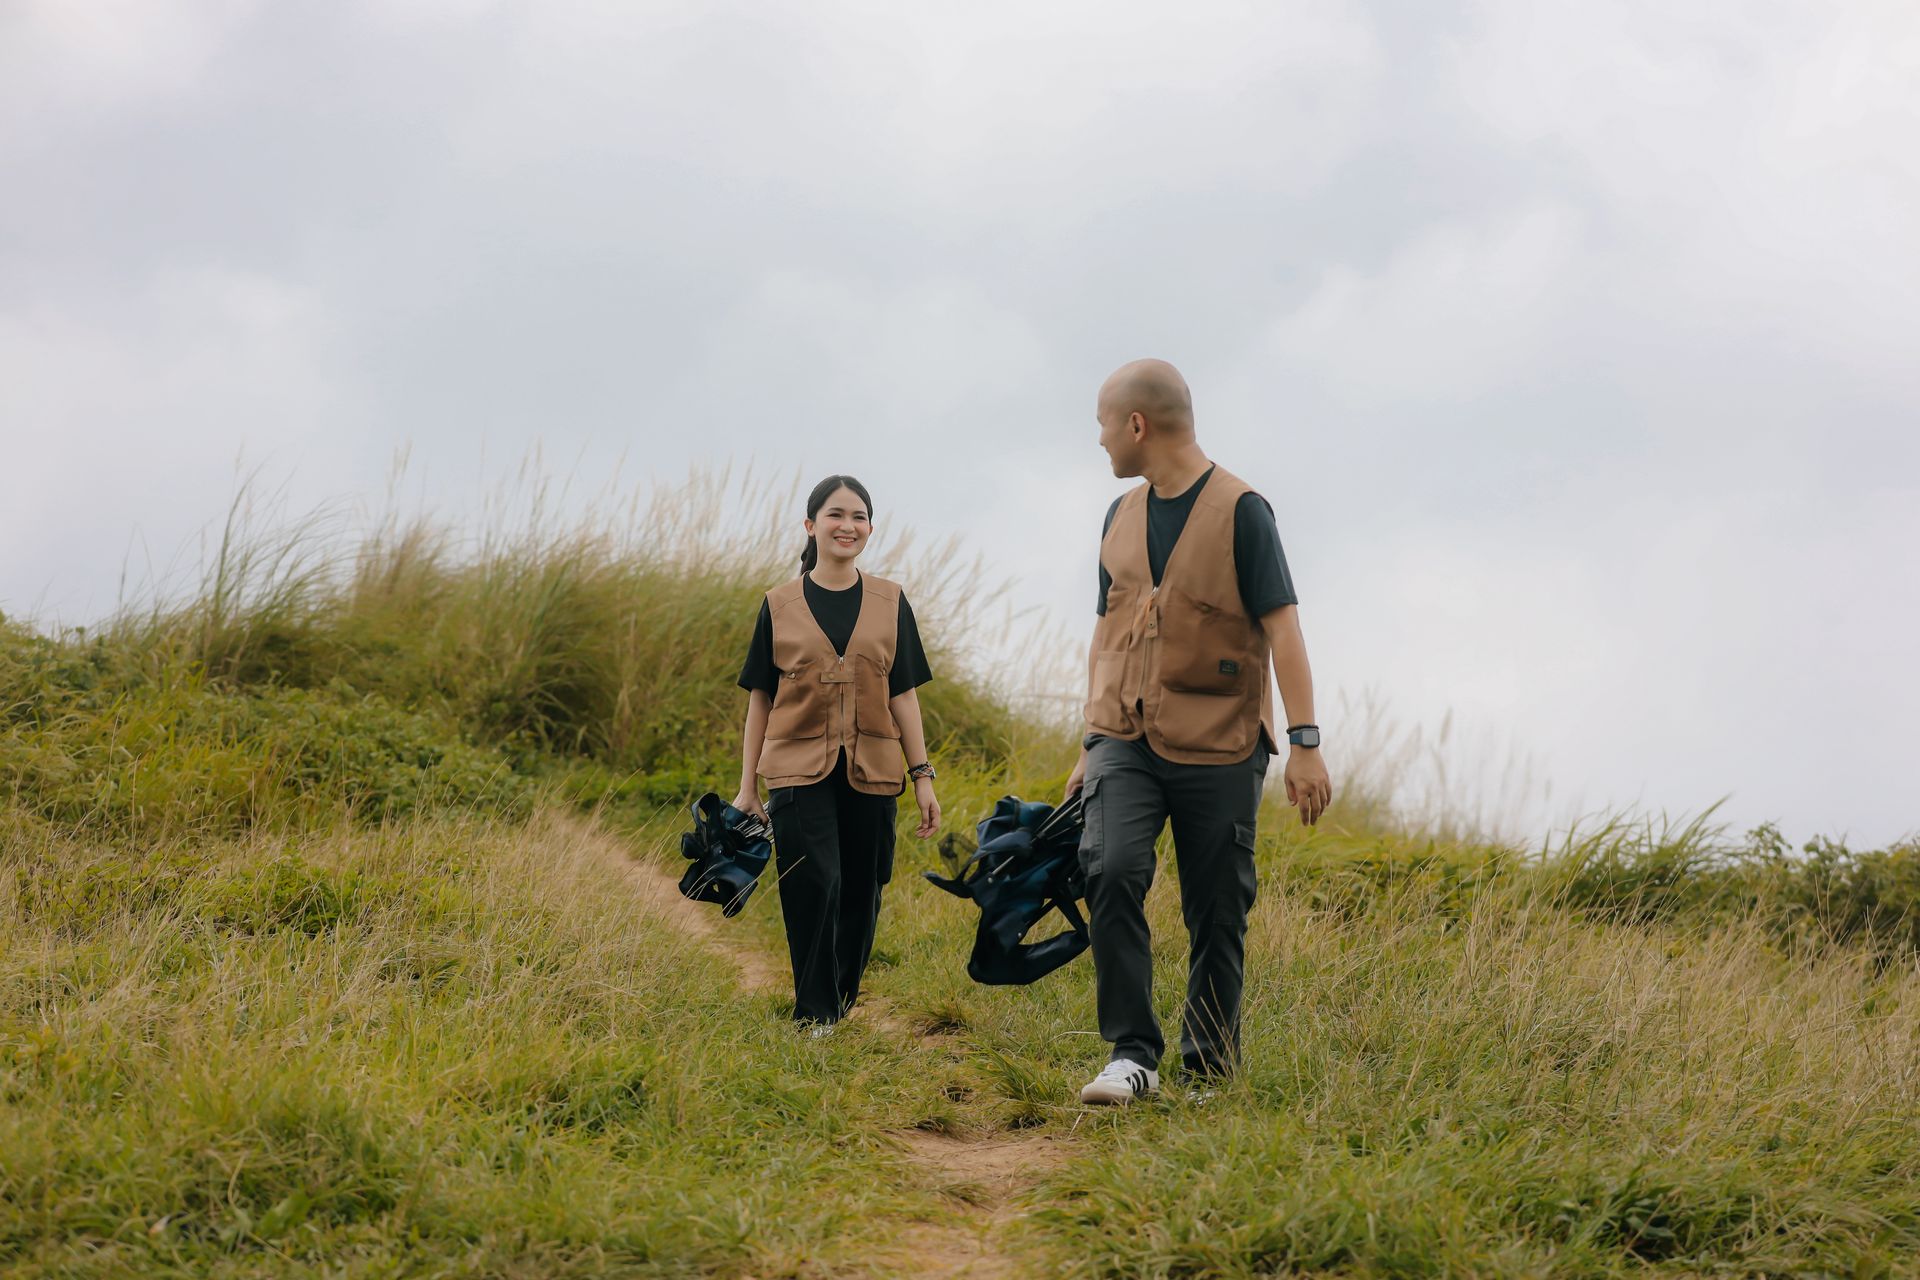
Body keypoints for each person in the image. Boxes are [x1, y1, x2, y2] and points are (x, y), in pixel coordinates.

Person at [1066, 359, 1333, 1104]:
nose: (1100, 439)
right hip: (1123, 737)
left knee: (1217, 908)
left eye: (1103, 424)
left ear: (1137, 425)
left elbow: (1284, 631)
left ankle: (1210, 1067)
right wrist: (1091, 739)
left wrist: (1305, 743)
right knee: (1110, 869)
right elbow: (1106, 632)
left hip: (1222, 741)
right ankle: (1132, 1055)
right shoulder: (1118, 516)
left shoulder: (1244, 511)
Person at [734, 475, 942, 1035]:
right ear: (811, 525)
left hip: (874, 769)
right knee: (813, 883)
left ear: (870, 528)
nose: (847, 526)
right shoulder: (778, 604)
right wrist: (748, 785)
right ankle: (815, 1012)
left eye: (858, 516)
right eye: (835, 514)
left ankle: (841, 999)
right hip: (796, 770)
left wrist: (922, 776)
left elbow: (903, 694)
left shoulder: (891, 601)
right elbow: (760, 698)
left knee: (862, 889)